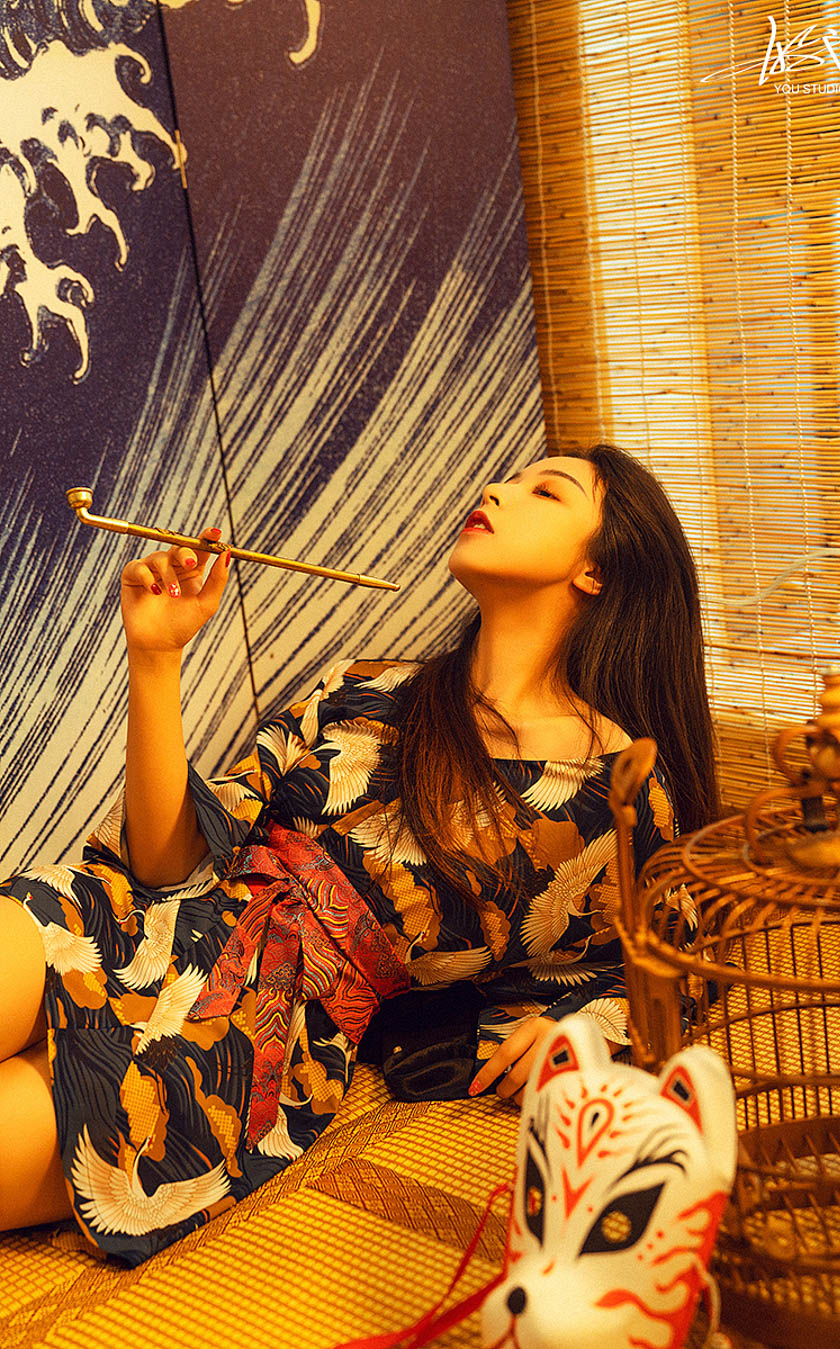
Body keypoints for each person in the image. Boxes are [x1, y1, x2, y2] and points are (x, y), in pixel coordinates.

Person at [0, 444, 718, 1266]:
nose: (495, 487)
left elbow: (671, 963)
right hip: (118, 919)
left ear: (597, 570)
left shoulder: (612, 784)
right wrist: (156, 655)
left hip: (247, 1042)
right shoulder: (365, 687)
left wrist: (582, 1026)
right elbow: (165, 865)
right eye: (510, 477)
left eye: (544, 491)